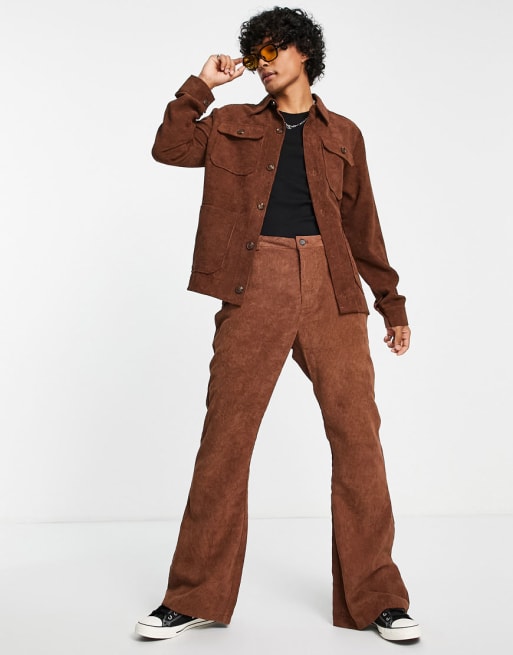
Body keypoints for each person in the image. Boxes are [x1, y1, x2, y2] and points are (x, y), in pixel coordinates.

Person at [135, 6, 420, 643]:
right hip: (253, 282)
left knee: (359, 441)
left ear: (303, 53)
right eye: (255, 54)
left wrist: (391, 303)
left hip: (332, 286)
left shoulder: (345, 134)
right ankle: (193, 596)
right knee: (225, 440)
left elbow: (363, 225)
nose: (262, 64)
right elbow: (169, 147)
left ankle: (378, 600)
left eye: (272, 52)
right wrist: (201, 84)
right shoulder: (231, 122)